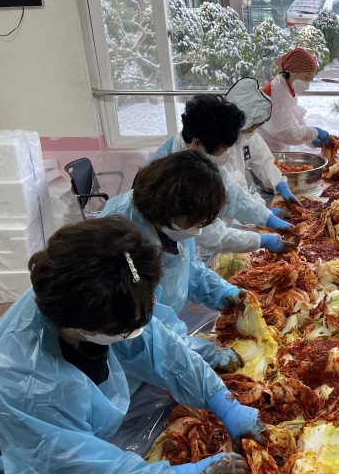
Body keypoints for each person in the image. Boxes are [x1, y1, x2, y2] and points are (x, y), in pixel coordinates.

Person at [0, 217, 265, 474]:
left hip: (52, 454)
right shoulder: (22, 379)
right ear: (86, 323)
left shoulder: (94, 295)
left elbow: (159, 346)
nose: (139, 326)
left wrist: (222, 400)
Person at [101, 150, 247, 368]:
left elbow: (186, 267)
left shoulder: (170, 222)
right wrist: (207, 353)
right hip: (127, 355)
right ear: (171, 207)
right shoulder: (121, 239)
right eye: (195, 221)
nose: (198, 229)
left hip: (164, 340)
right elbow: (146, 330)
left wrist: (224, 293)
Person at [149, 94, 295, 254]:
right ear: (197, 143)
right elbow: (209, 233)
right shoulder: (175, 174)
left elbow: (233, 194)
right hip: (156, 248)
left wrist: (267, 218)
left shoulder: (200, 154)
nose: (226, 155)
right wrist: (260, 241)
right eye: (224, 149)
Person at [256, 48, 335, 171]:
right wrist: (314, 132)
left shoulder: (286, 87)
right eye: (307, 77)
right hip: (266, 148)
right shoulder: (278, 90)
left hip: (275, 148)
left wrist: (311, 139)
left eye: (311, 79)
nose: (308, 83)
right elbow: (288, 131)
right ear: (293, 71)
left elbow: (294, 118)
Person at [223, 77, 288, 203]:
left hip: (239, 202)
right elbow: (232, 190)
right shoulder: (219, 144)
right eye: (252, 125)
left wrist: (279, 183)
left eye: (257, 125)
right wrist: (261, 209)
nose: (254, 130)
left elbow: (263, 162)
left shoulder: (249, 137)